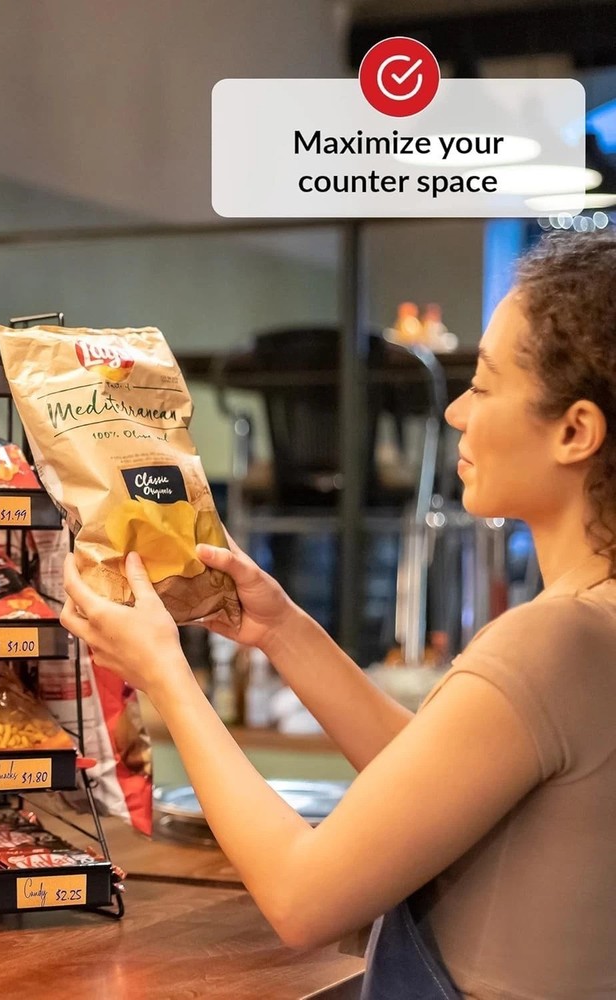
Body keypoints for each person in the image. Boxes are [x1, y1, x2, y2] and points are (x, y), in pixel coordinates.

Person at [61, 231, 616, 999]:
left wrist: (164, 674)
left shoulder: (554, 641)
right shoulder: (591, 628)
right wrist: (283, 630)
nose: (457, 411)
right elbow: (438, 774)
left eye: (484, 386)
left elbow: (301, 897)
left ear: (575, 431)